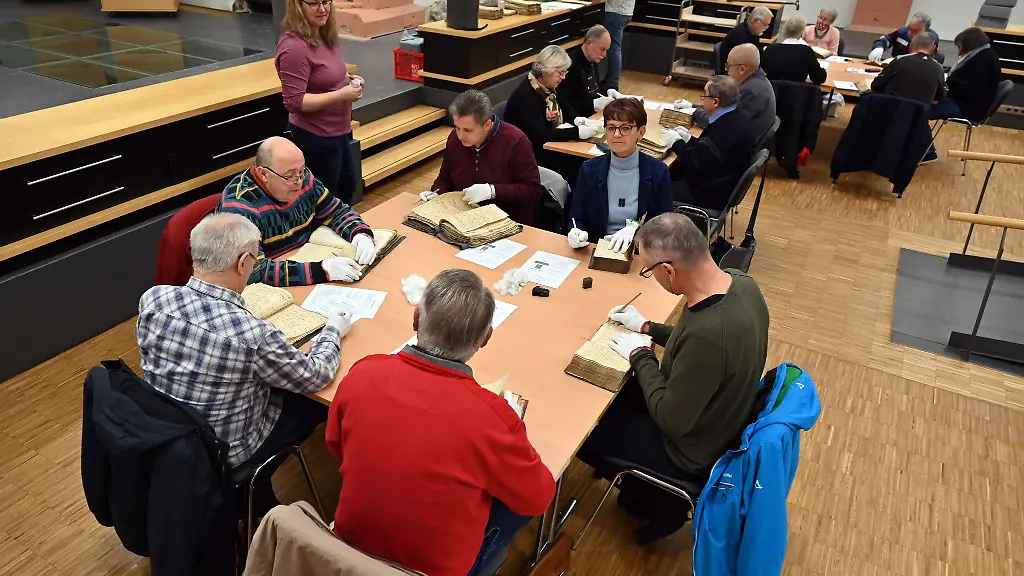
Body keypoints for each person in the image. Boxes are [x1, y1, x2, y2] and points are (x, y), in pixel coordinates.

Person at [326, 269, 556, 576]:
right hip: (432, 570)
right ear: (485, 339)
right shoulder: (493, 418)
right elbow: (537, 498)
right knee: (514, 501)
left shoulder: (363, 373)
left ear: (416, 318)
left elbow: (336, 446)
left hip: (348, 551)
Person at [577, 212, 769, 543]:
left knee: (582, 430)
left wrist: (641, 355)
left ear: (668, 270)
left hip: (687, 450)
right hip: (717, 415)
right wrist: (647, 327)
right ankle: (647, 493)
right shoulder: (741, 283)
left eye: (648, 270)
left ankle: (660, 503)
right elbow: (690, 337)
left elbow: (670, 418)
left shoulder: (711, 335)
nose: (650, 277)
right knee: (621, 396)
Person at [137, 213, 351, 510]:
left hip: (168, 435)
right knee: (316, 402)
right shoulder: (253, 336)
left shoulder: (153, 300)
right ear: (242, 262)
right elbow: (316, 374)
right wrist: (333, 331)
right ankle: (259, 497)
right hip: (229, 452)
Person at [218, 136, 375, 286]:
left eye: (301, 171)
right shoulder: (239, 206)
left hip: (303, 259)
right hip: (268, 288)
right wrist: (320, 271)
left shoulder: (304, 178)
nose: (299, 182)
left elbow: (337, 212)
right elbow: (253, 270)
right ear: (263, 174)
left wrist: (360, 233)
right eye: (290, 176)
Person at [275, 0, 363, 205]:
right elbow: (294, 101)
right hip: (315, 139)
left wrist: (348, 79)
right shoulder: (293, 48)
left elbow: (324, 75)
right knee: (323, 206)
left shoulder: (323, 35)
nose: (322, 9)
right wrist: (342, 94)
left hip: (339, 133)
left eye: (326, 2)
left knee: (345, 194)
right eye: (314, 3)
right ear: (298, 6)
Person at [567, 98, 673, 252]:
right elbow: (576, 216)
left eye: (625, 128)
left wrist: (638, 231)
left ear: (641, 132)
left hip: (641, 252)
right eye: (611, 128)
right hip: (597, 249)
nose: (616, 134)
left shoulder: (658, 171)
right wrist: (575, 231)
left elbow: (666, 223)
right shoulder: (589, 169)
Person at [424, 90, 545, 225]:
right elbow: (444, 179)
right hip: (464, 218)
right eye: (457, 127)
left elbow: (532, 191)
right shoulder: (455, 139)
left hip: (508, 221)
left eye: (468, 130)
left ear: (487, 125)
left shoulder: (516, 141)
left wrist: (492, 191)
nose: (460, 136)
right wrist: (436, 194)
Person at [504, 45, 598, 186]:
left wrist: (576, 119)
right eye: (560, 73)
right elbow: (540, 135)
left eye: (564, 72)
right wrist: (576, 132)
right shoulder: (526, 96)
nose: (563, 77)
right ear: (545, 70)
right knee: (581, 166)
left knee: (587, 163)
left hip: (547, 146)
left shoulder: (545, 87)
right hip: (531, 155)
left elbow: (564, 106)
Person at [669, 76, 756, 211]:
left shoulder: (724, 130)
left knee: (655, 184)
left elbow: (694, 166)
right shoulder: (735, 118)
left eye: (704, 95)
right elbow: (708, 153)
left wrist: (676, 143)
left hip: (707, 194)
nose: (702, 99)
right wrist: (689, 139)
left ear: (715, 102)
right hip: (719, 183)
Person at [695, 43, 776, 142]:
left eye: (728, 66)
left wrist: (694, 113)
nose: (725, 69)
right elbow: (720, 110)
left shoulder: (749, 92)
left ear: (742, 69)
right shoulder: (756, 82)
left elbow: (721, 125)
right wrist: (693, 106)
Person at [931, 27, 1003, 123]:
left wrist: (949, 79)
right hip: (967, 103)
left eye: (959, 46)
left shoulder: (983, 60)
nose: (958, 50)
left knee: (922, 109)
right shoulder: (982, 54)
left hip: (969, 108)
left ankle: (918, 136)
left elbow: (973, 89)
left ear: (968, 44)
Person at [870, 32, 946, 107]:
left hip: (891, 111)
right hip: (917, 117)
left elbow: (876, 85)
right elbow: (939, 97)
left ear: (911, 45)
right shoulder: (939, 68)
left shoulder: (899, 60)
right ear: (934, 48)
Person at [560, 25, 613, 118]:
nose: (604, 55)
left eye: (606, 50)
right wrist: (593, 104)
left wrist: (608, 90)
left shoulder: (592, 58)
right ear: (589, 43)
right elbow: (566, 103)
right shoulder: (571, 66)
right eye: (602, 49)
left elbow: (594, 87)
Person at [762, 14, 827, 85]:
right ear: (801, 33)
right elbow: (819, 78)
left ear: (784, 30)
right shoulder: (806, 52)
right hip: (797, 94)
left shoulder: (770, 50)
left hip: (771, 94)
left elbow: (761, 74)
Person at [718, 6, 773, 74]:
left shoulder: (753, 33)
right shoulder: (740, 36)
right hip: (733, 72)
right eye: (765, 25)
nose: (766, 28)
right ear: (756, 21)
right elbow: (743, 62)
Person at [869, 12, 939, 63]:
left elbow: (925, 60)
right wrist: (879, 47)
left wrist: (900, 59)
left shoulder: (931, 40)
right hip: (893, 66)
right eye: (909, 28)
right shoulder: (902, 32)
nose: (909, 33)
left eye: (915, 31)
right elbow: (885, 40)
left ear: (926, 30)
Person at [603, 0, 634, 91]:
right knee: (615, 48)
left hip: (616, 12)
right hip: (626, 11)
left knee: (614, 49)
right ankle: (610, 79)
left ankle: (612, 84)